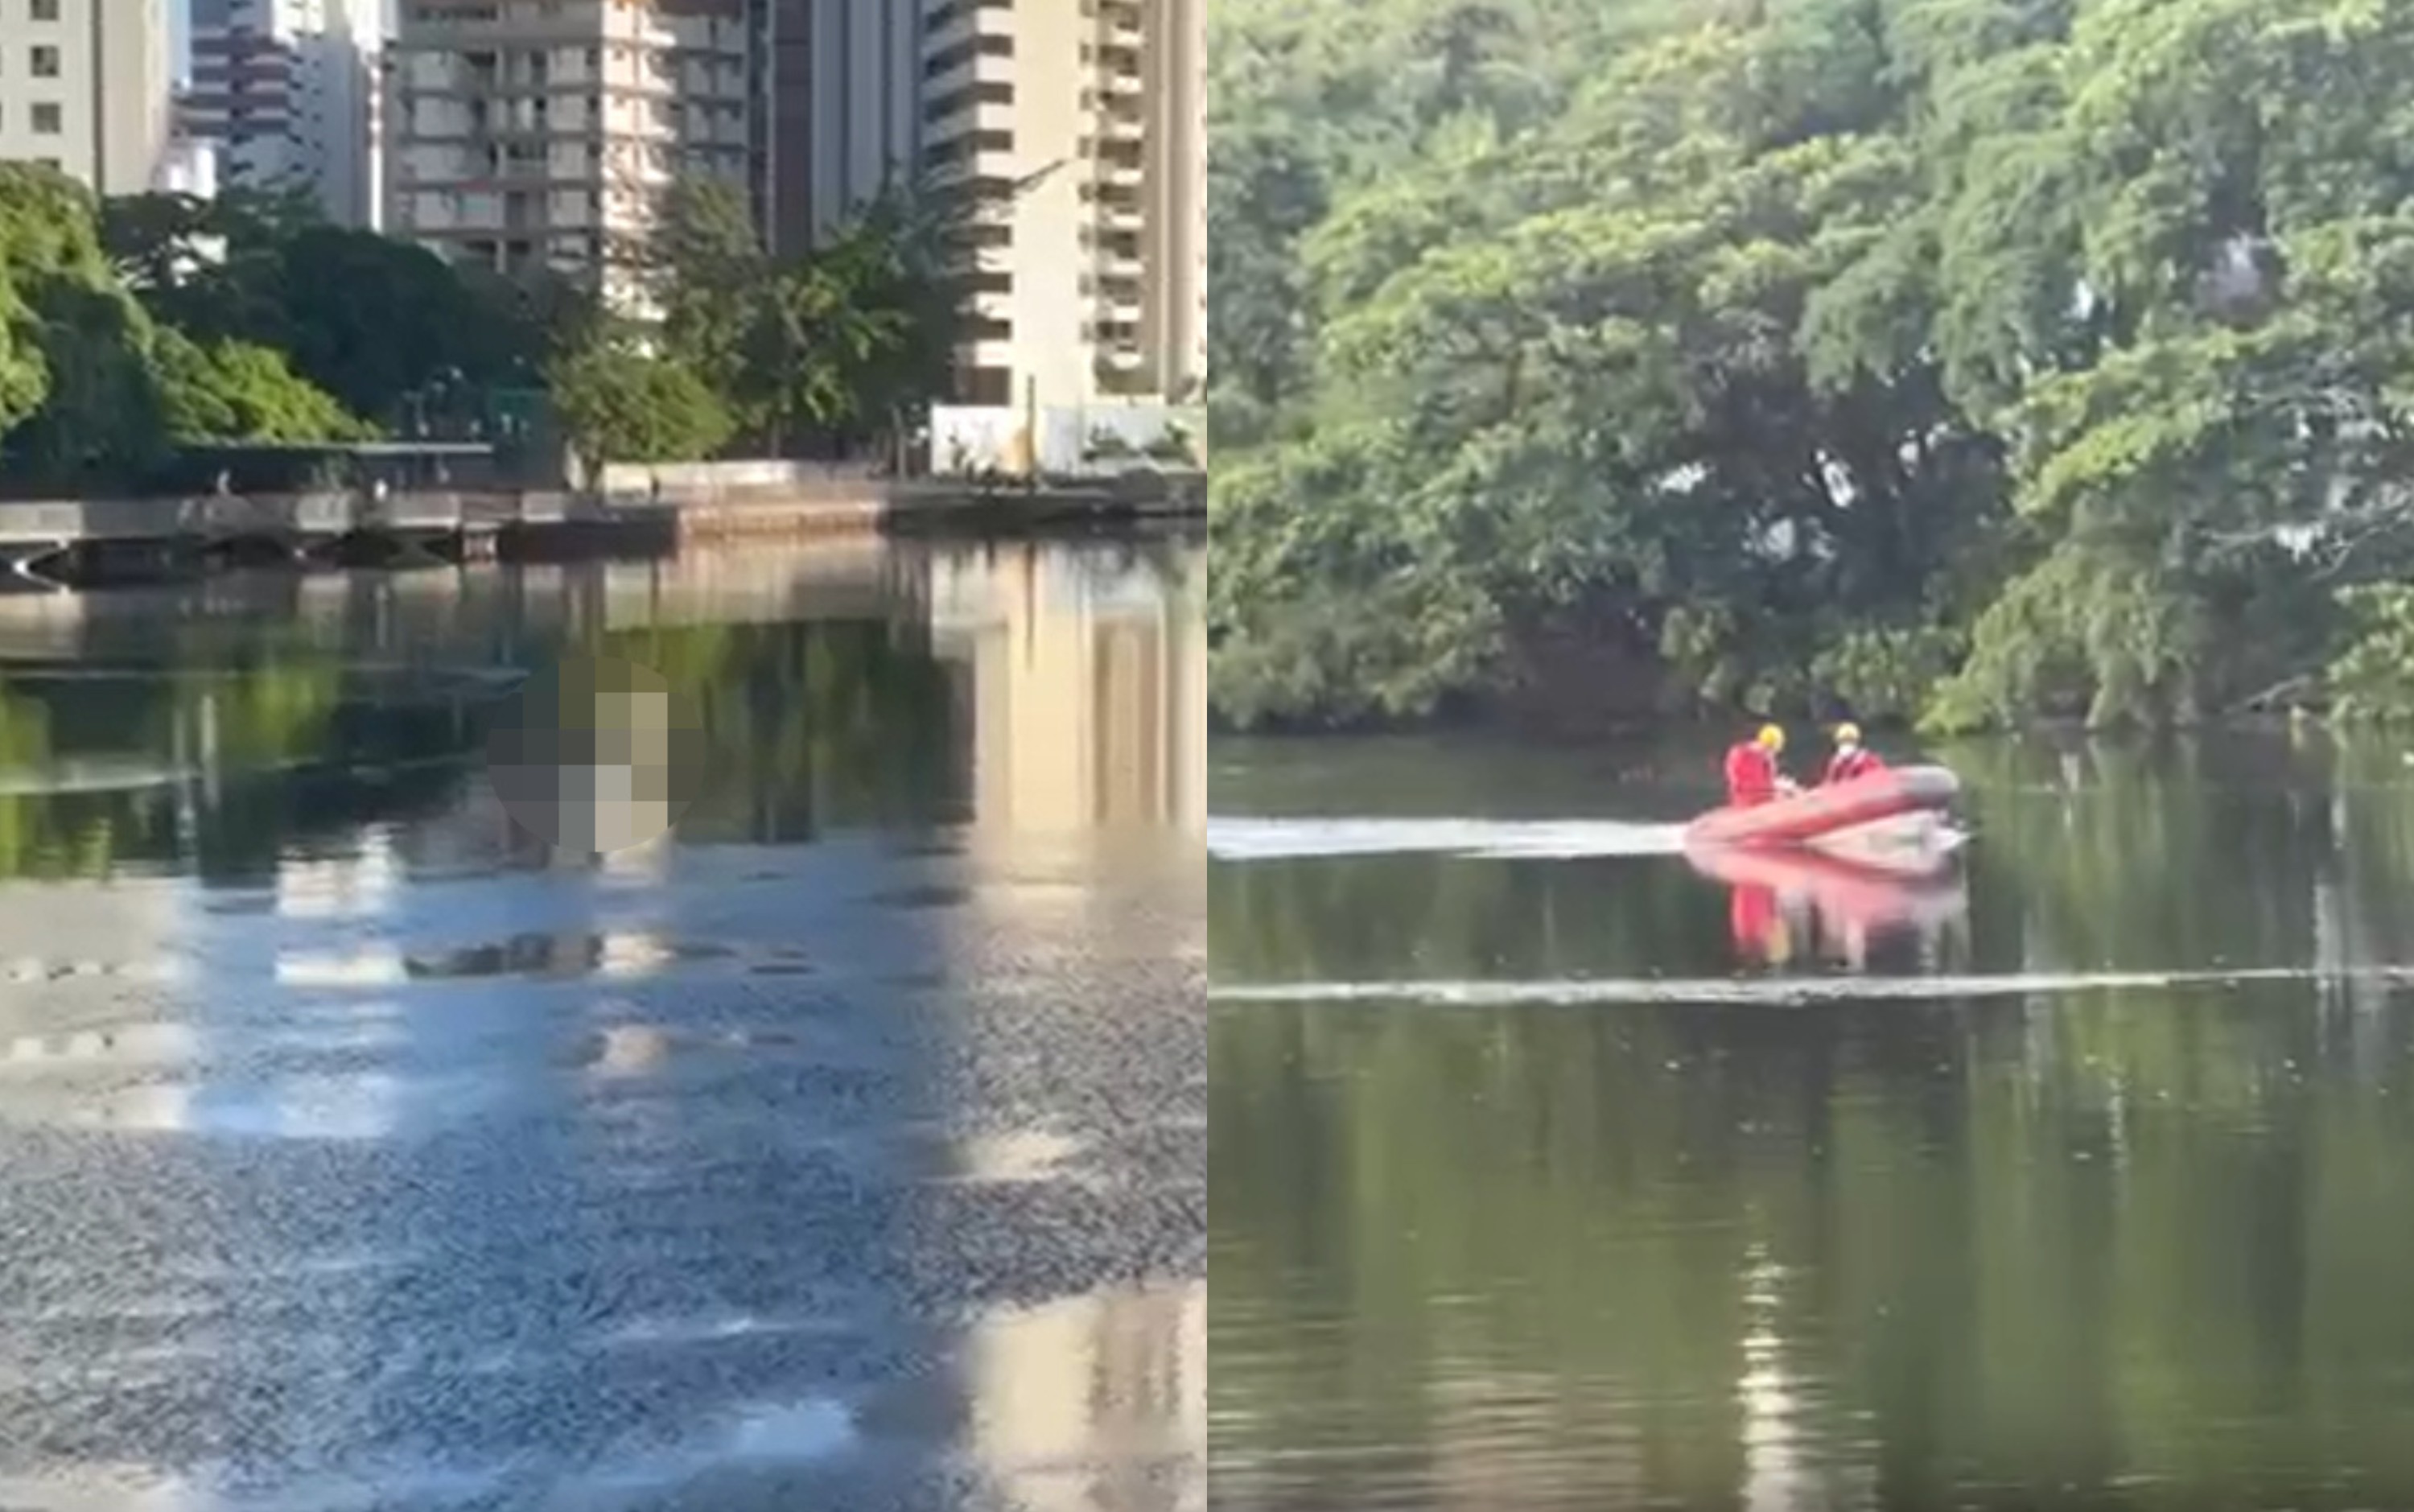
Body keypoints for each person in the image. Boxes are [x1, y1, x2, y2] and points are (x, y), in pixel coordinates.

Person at [1723, 723, 1792, 807]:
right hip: (1755, 802)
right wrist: (1779, 786)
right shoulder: (1763, 758)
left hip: (1740, 800)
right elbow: (1758, 786)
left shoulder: (1737, 752)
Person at [1821, 722, 1887, 786]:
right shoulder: (1836, 763)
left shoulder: (1868, 760)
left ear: (1856, 742)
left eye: (1850, 741)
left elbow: (1880, 779)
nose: (1846, 744)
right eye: (1843, 741)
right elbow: (1829, 785)